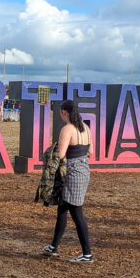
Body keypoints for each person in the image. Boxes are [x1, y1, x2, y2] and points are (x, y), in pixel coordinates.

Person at [42, 100, 94, 263]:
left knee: (76, 212)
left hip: (72, 173)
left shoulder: (67, 129)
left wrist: (49, 153)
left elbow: (61, 154)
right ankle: (53, 246)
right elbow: (91, 152)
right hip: (83, 169)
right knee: (63, 208)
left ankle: (87, 254)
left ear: (64, 112)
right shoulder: (86, 128)